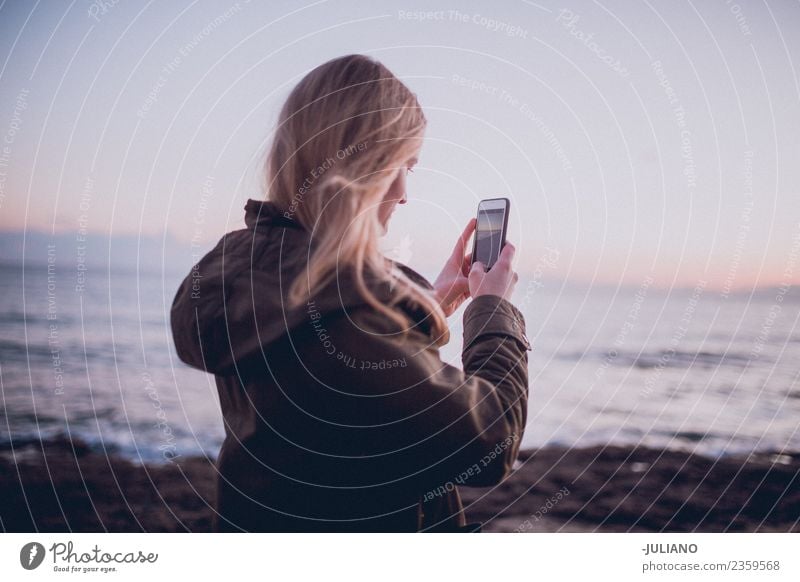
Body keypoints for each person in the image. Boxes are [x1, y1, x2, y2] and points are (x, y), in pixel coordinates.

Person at [170, 54, 531, 532]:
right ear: (363, 164)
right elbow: (490, 442)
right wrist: (494, 311)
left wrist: (431, 301)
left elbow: (354, 403)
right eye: (404, 164)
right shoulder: (345, 325)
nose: (405, 193)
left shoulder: (248, 273)